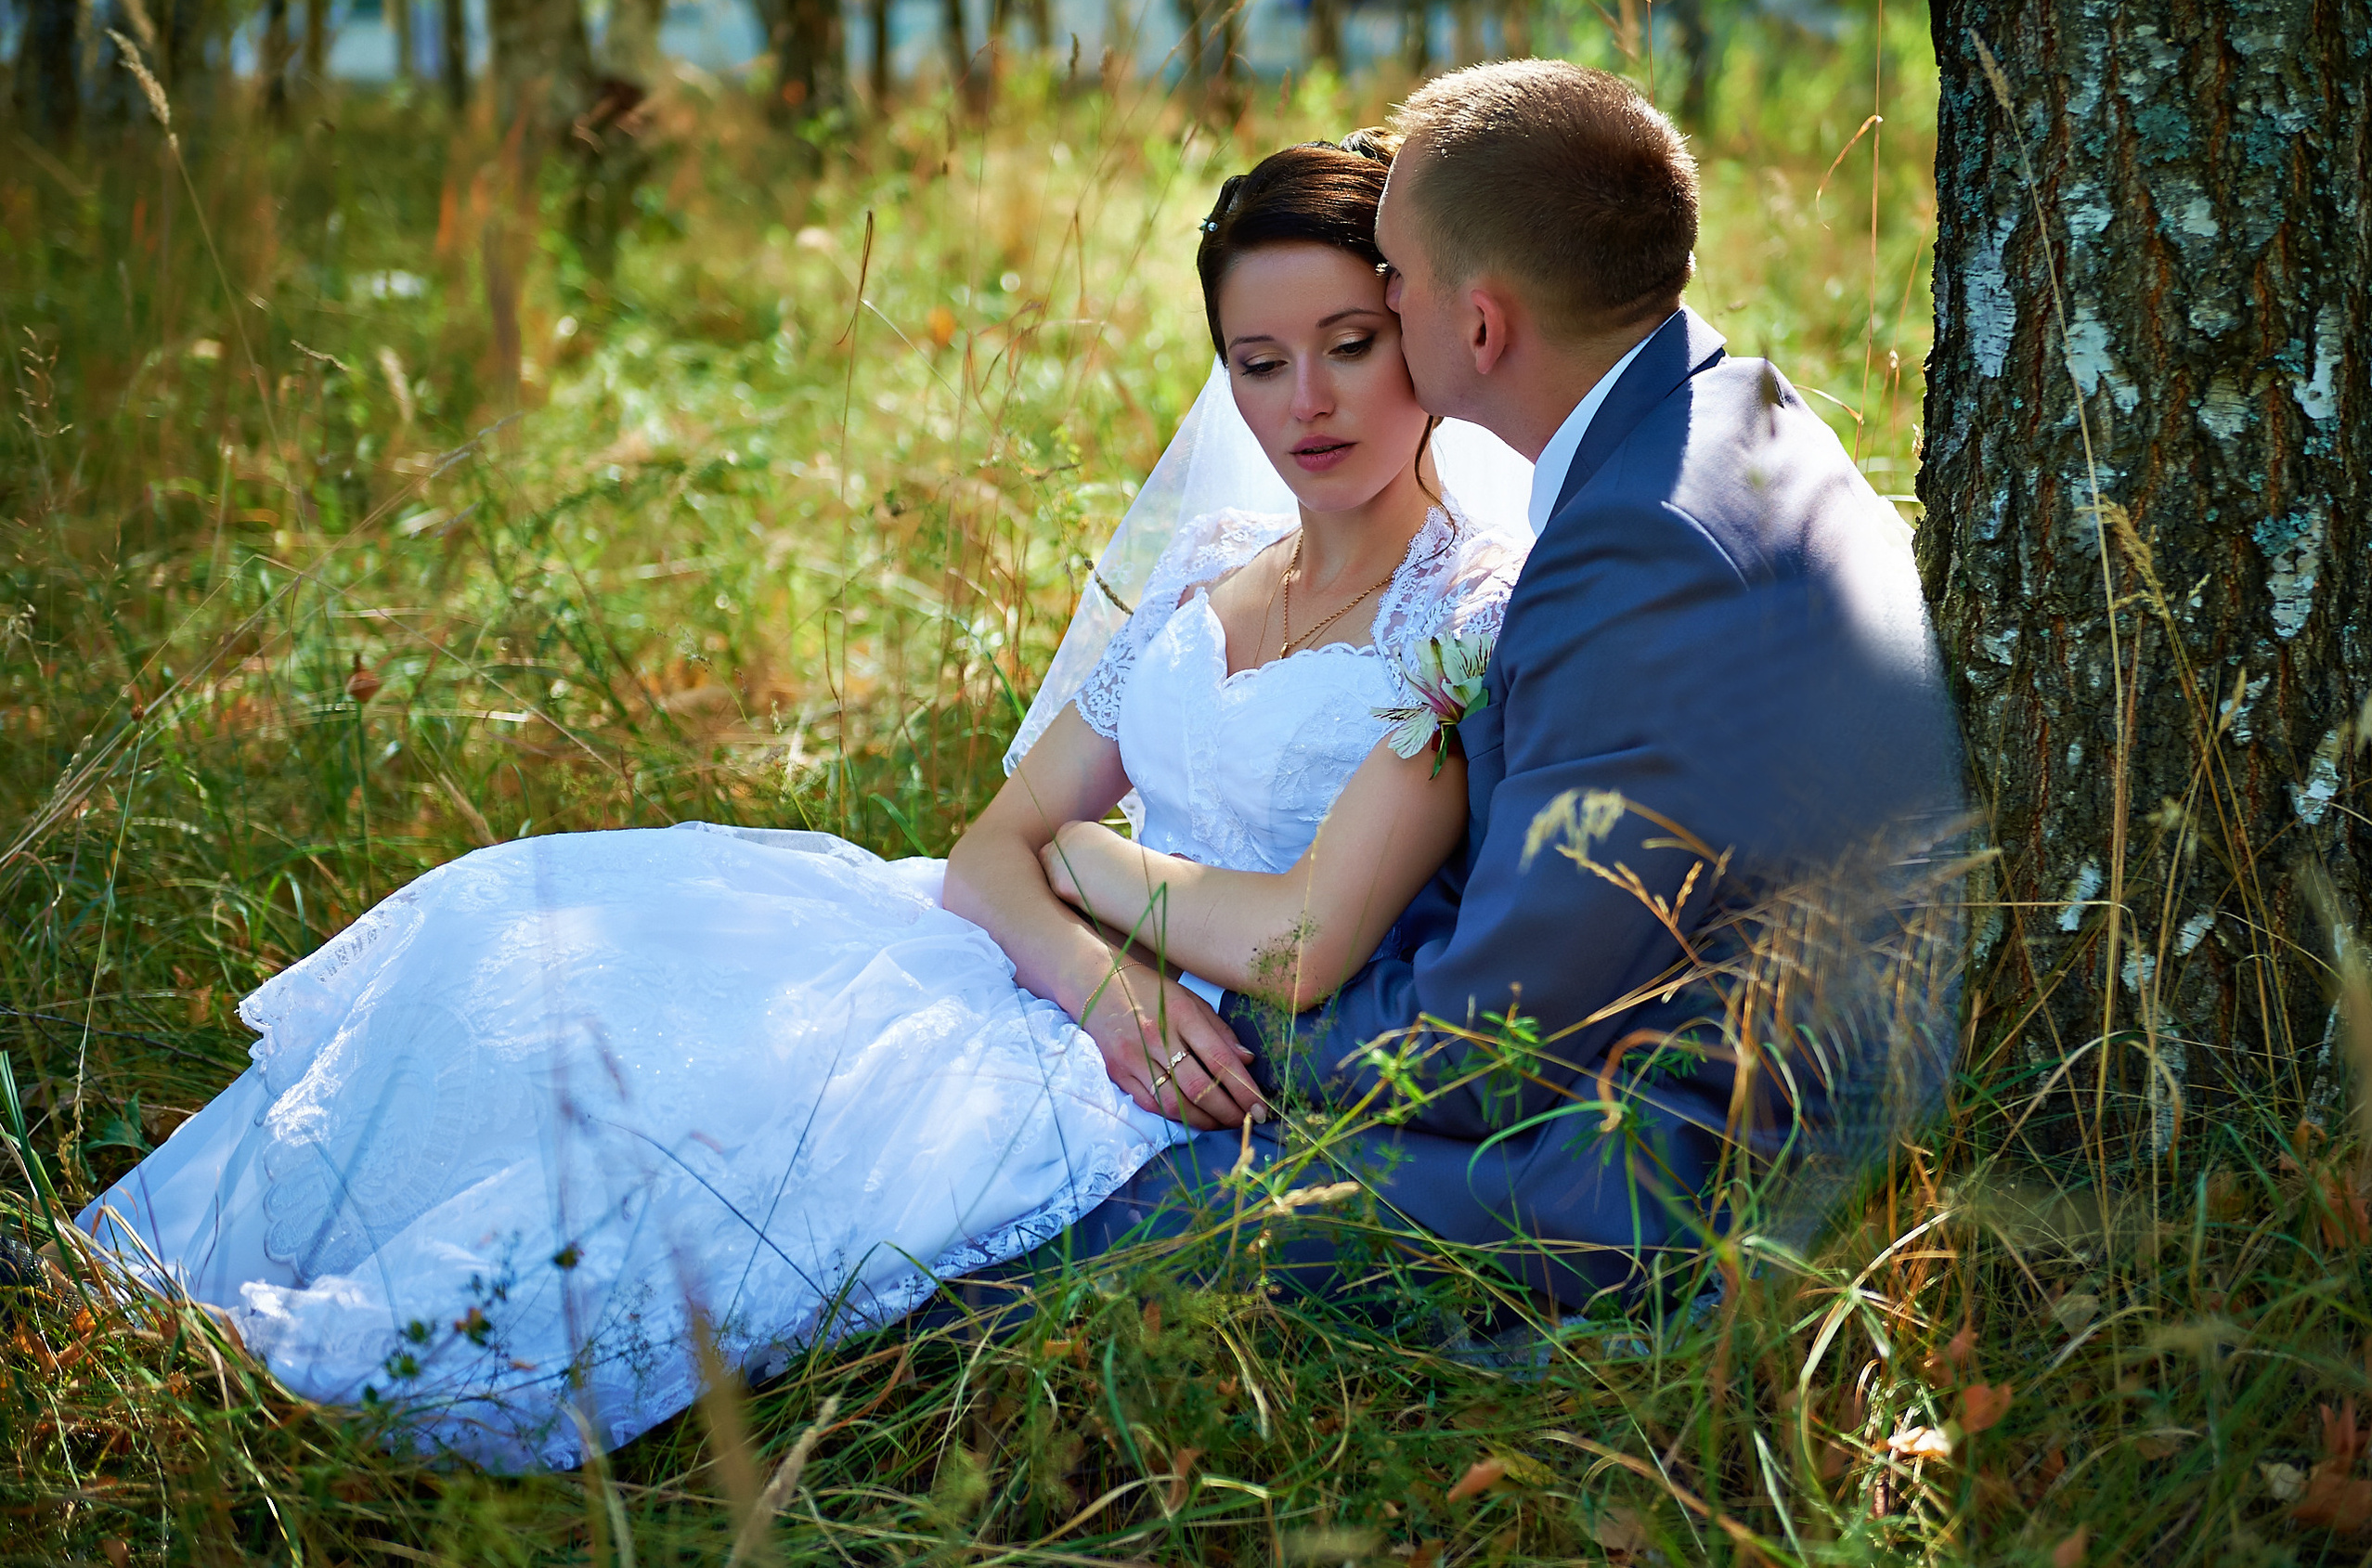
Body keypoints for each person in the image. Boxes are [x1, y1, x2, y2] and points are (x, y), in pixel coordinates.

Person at [73, 136, 1537, 1469]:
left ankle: (324, 1342)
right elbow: (985, 853)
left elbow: (1296, 948)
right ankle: (162, 1263)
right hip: (1049, 977)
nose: (1308, 402)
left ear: (1418, 324)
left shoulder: (1460, 607)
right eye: (1258, 361)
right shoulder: (1208, 558)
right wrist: (1100, 976)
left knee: (702, 1150)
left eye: (1350, 344)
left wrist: (1083, 867)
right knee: (526, 929)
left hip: (1172, 1019)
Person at [1032, 60, 1962, 1319]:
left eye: (1392, 288)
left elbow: (1487, 1042)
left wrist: (1222, 1018)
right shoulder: (1728, 419)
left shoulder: (1633, 550)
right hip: (1688, 1046)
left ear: (1477, 327)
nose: (1384, 304)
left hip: (1663, 1168)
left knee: (1102, 1218)